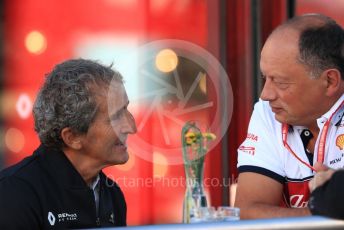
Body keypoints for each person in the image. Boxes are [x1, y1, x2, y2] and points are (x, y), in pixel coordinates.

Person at [0, 59, 137, 229]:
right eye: (115, 117)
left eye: (126, 109)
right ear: (72, 137)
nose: (131, 127)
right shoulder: (15, 194)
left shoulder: (112, 194)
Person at [235, 14, 344, 219]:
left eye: (281, 83)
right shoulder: (268, 111)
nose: (265, 95)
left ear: (330, 81)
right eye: (265, 78)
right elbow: (247, 211)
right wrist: (328, 211)